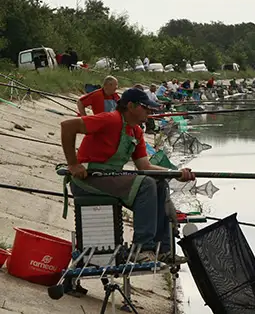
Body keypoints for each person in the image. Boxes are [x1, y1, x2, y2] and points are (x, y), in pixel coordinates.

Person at [60, 88, 193, 264]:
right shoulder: (110, 119)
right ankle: (142, 248)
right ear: (131, 106)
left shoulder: (136, 131)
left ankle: (162, 250)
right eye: (146, 108)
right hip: (88, 179)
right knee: (146, 184)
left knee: (159, 183)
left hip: (110, 179)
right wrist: (73, 164)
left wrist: (174, 174)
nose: (150, 112)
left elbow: (144, 166)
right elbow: (67, 126)